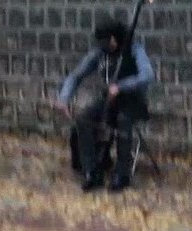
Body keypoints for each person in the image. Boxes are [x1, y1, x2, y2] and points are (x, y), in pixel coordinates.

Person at [54, 19, 155, 192]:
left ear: (114, 39)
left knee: (123, 120)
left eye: (107, 41)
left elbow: (147, 75)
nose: (104, 45)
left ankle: (122, 173)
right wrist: (64, 98)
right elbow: (76, 75)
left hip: (133, 101)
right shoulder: (99, 53)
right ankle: (92, 171)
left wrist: (122, 86)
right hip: (109, 100)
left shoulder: (134, 49)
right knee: (84, 118)